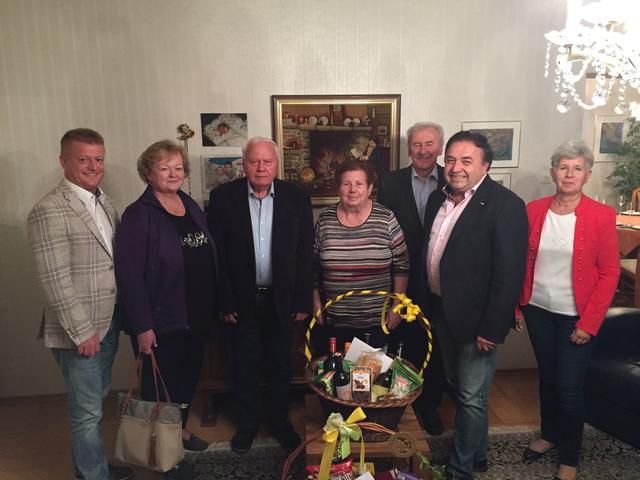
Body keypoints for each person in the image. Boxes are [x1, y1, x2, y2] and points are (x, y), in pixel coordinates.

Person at [27, 128, 133, 480]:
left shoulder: (105, 201)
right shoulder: (49, 209)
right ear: (64, 162)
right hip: (81, 331)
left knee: (95, 404)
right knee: (86, 412)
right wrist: (82, 332)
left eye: (98, 159)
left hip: (109, 322)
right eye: (83, 159)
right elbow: (54, 280)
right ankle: (94, 476)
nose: (93, 166)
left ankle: (95, 467)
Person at [423, 131, 528, 480]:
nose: (456, 167)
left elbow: (509, 273)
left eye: (466, 161)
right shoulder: (437, 201)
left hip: (478, 322)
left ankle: (460, 470)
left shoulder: (505, 205)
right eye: (451, 159)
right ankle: (478, 454)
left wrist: (492, 328)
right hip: (443, 312)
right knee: (465, 391)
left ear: (485, 165)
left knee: (469, 397)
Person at [516, 140, 620, 480]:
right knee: (547, 378)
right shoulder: (534, 210)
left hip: (577, 316)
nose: (569, 174)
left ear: (587, 174)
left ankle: (571, 457)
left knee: (569, 388)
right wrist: (518, 305)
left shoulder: (601, 215)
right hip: (538, 310)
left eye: (577, 168)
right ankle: (549, 435)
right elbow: (521, 262)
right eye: (563, 167)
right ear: (553, 172)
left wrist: (589, 323)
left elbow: (609, 273)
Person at [115, 140, 218, 479]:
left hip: (194, 315)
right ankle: (165, 455)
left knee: (187, 381)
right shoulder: (139, 215)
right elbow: (129, 277)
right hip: (159, 320)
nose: (173, 173)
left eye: (178, 167)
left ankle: (181, 431)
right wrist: (143, 326)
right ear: (148, 172)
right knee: (160, 389)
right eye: (164, 168)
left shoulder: (188, 205)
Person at [207, 136, 314, 454]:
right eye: (254, 161)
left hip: (282, 299)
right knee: (245, 366)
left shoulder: (296, 198)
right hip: (241, 300)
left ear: (277, 165)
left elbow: (304, 254)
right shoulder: (222, 197)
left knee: (281, 365)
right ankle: (249, 425)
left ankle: (280, 423)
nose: (261, 167)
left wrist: (302, 299)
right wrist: (224, 300)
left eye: (267, 161)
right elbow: (218, 256)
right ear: (244, 165)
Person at [378, 121, 448, 435]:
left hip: (440, 281)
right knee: (398, 343)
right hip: (398, 278)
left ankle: (429, 404)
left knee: (434, 344)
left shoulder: (454, 178)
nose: (423, 150)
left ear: (440, 147)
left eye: (429, 144)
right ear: (409, 149)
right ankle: (394, 402)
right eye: (417, 144)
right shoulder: (389, 183)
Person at [313, 159, 409, 349]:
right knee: (337, 375)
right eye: (346, 184)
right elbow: (312, 267)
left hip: (378, 321)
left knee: (375, 376)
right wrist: (315, 303)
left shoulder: (386, 218)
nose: (352, 190)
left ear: (369, 188)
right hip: (335, 320)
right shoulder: (325, 220)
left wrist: (397, 307)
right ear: (338, 188)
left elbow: (402, 266)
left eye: (359, 184)